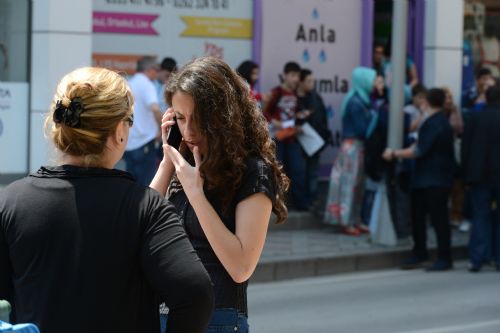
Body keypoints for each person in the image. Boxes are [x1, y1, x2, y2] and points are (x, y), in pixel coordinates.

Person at [0, 67, 214, 332]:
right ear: (118, 132)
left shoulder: (10, 201)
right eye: (130, 120)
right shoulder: (145, 208)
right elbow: (196, 294)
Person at [150, 57, 289, 333]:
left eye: (198, 119)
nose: (188, 130)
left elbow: (240, 266)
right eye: (179, 118)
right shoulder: (183, 165)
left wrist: (196, 194)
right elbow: (138, 225)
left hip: (216, 319)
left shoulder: (254, 171)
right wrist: (169, 160)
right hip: (163, 316)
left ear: (222, 118)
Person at [383, 88, 455, 271]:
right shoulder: (434, 121)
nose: (420, 103)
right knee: (418, 218)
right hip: (428, 178)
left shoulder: (435, 123)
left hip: (434, 179)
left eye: (423, 100)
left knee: (438, 220)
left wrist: (394, 154)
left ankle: (443, 257)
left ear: (428, 103)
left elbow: (419, 150)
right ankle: (420, 253)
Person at [324, 67, 378, 236]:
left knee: (357, 186)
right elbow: (362, 128)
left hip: (356, 148)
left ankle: (355, 220)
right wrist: (376, 119)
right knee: (350, 185)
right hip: (353, 148)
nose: (375, 82)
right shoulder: (356, 102)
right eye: (373, 79)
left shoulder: (361, 99)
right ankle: (346, 221)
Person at [461, 84, 500, 272]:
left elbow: (465, 147)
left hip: (479, 175)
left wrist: (465, 175)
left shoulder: (475, 117)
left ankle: (477, 258)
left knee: (480, 216)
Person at [263, 61, 308, 210]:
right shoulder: (276, 92)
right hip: (278, 138)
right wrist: (275, 122)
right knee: (277, 170)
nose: (295, 79)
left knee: (297, 169)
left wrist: (300, 119)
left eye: (298, 76)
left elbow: (294, 115)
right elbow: (264, 113)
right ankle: (275, 205)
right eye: (293, 75)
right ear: (285, 75)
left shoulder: (296, 94)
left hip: (292, 138)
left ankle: (300, 204)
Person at [123, 56, 162, 185]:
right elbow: (155, 109)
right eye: (157, 70)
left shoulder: (129, 83)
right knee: (146, 187)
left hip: (128, 143)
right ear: (149, 69)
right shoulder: (147, 84)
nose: (157, 74)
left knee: (131, 185)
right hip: (145, 141)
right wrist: (162, 129)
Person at [296, 68, 331, 209]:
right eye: (309, 81)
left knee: (313, 173)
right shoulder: (294, 99)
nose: (312, 84)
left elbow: (323, 121)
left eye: (313, 81)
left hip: (313, 143)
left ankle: (312, 200)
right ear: (301, 82)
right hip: (297, 142)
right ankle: (301, 202)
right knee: (300, 172)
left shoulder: (316, 98)